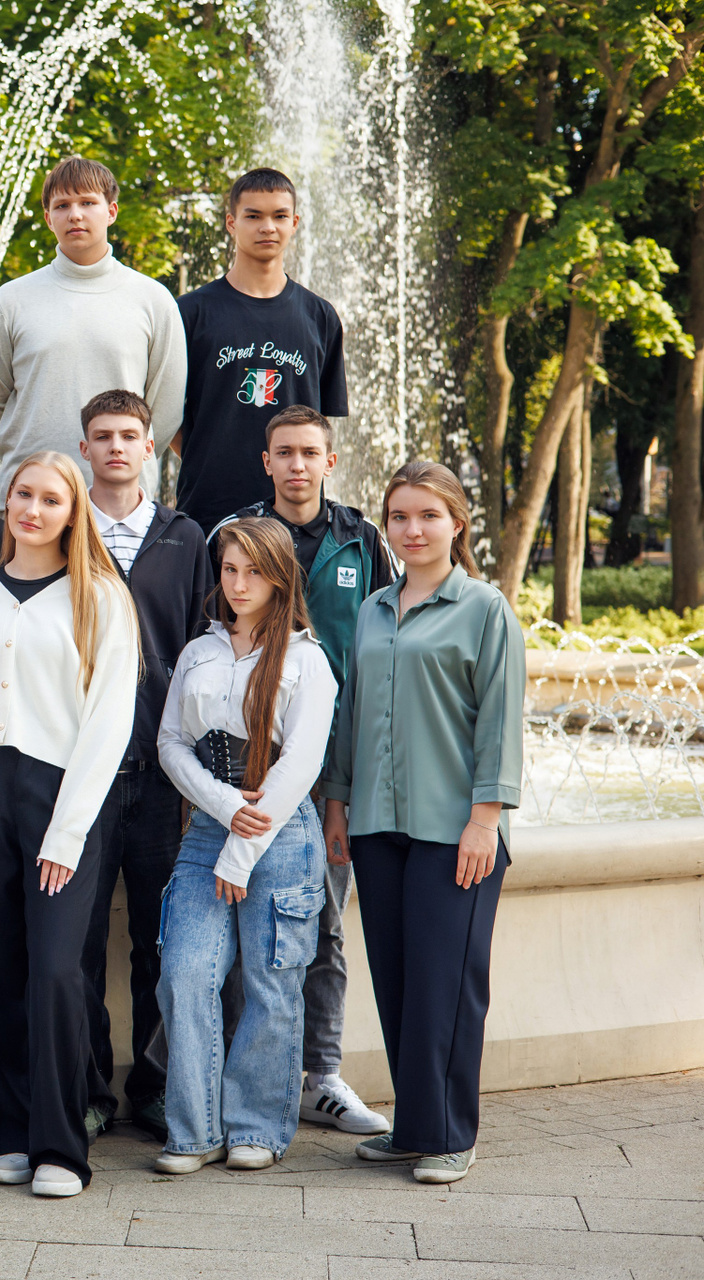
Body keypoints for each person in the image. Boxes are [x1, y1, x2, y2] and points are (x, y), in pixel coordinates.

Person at [0, 450, 138, 1200]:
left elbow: (110, 721)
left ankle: (61, 1145)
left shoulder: (101, 597)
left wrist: (68, 830)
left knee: (54, 971)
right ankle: (8, 1134)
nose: (34, 510)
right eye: (23, 494)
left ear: (74, 512)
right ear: (5, 500)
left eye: (52, 499)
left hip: (60, 790)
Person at [324, 460, 524, 1186]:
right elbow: (350, 711)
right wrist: (338, 801)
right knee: (399, 980)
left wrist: (485, 821)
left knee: (447, 984)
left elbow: (500, 720)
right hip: (378, 825)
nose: (413, 530)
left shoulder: (485, 609)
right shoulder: (375, 609)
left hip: (454, 828)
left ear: (456, 524)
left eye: (428, 516)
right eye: (400, 517)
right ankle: (413, 1128)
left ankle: (451, 1134)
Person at [210, 404, 394, 1137]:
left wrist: (357, 774)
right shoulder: (237, 533)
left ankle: (322, 1075)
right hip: (248, 765)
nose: (296, 465)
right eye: (283, 452)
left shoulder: (362, 540)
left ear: (329, 461)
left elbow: (381, 651)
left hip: (333, 769)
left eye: (309, 452)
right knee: (237, 917)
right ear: (266, 461)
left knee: (322, 923)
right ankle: (235, 1077)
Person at [153, 517, 335, 1175]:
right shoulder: (199, 652)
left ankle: (257, 1126)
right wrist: (225, 808)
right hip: (210, 826)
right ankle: (195, 1131)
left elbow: (301, 764)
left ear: (280, 576)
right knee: (185, 972)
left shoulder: (307, 660)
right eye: (229, 570)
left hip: (280, 834)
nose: (238, 584)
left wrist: (241, 847)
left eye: (253, 571)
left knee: (271, 982)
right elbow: (171, 743)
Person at [72, 390, 212, 1145]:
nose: (117, 447)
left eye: (130, 435)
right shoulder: (64, 529)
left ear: (151, 446)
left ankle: (154, 1086)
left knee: (161, 939)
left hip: (161, 775)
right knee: (83, 940)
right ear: (85, 448)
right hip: (84, 773)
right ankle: (90, 1090)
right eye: (103, 436)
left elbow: (201, 649)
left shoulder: (183, 537)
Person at [0, 156, 186, 510]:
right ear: (48, 218)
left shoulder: (153, 300)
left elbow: (164, 412)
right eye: (62, 206)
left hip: (121, 503)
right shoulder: (11, 301)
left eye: (88, 203)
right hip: (31, 503)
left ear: (111, 211)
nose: (75, 215)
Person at [173, 168, 348, 534]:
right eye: (253, 216)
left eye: (279, 216)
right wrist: (205, 455)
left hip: (297, 518)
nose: (267, 227)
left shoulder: (320, 317)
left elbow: (320, 423)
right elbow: (165, 415)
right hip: (209, 510)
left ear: (294, 223)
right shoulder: (189, 313)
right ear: (231, 223)